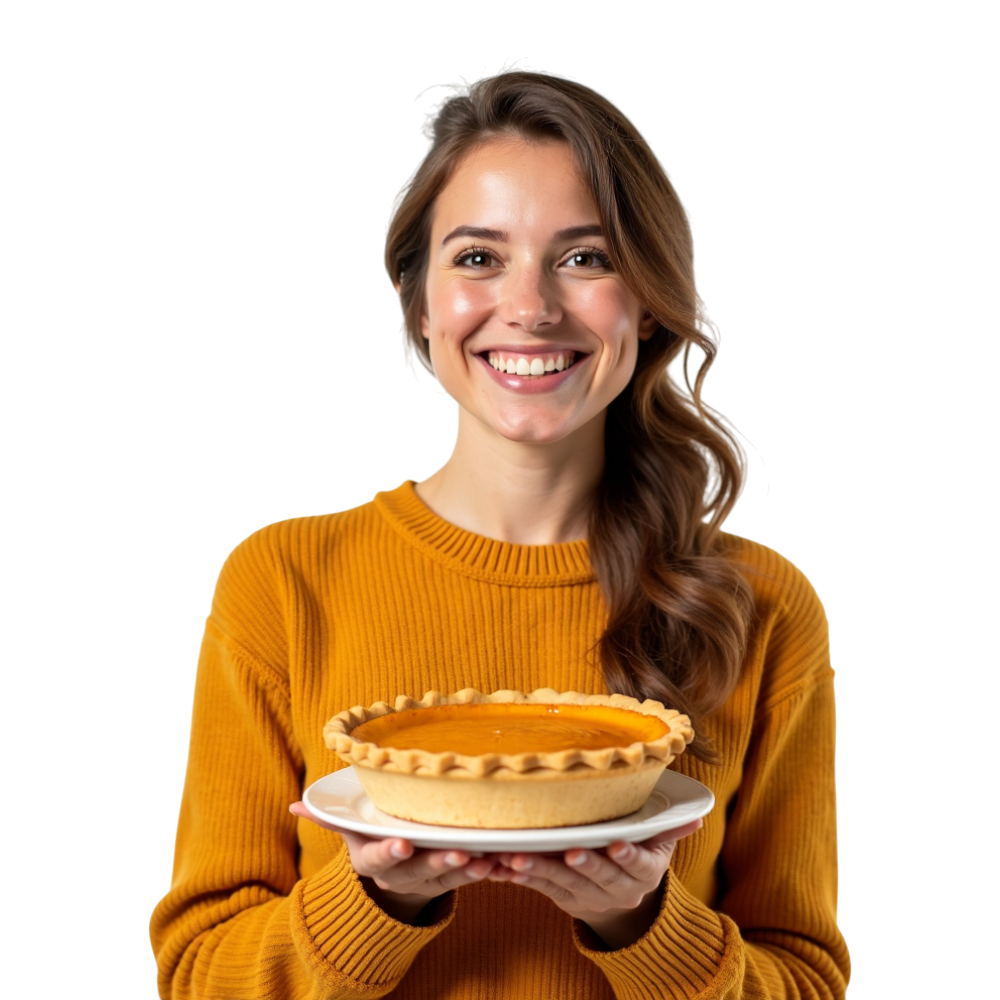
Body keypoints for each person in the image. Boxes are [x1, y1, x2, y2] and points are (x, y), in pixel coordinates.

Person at [150, 67, 849, 998]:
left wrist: (639, 919)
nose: (531, 307)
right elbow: (196, 977)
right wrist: (377, 901)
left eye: (586, 257)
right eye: (479, 257)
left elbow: (805, 982)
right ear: (419, 302)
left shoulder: (760, 602)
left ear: (647, 303)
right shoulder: (282, 580)